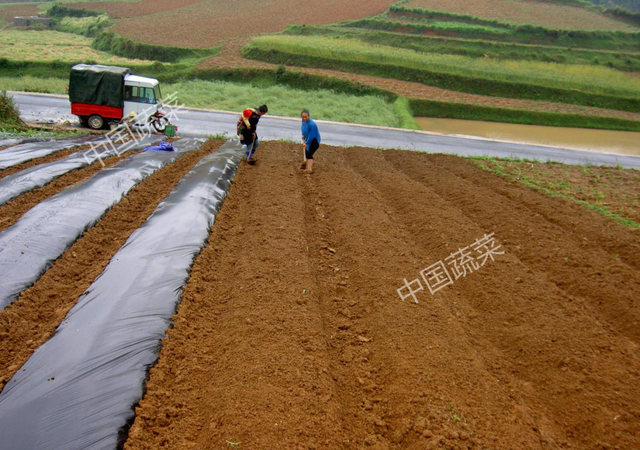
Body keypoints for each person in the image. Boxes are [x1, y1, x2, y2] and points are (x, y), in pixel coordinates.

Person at [300, 109, 321, 173]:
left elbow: (312, 135)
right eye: (303, 117)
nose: (304, 118)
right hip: (308, 139)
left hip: (314, 141)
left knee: (309, 154)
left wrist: (307, 143)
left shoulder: (312, 124)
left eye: (305, 117)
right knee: (307, 153)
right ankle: (306, 165)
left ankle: (309, 169)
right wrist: (303, 135)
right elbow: (303, 128)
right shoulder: (303, 121)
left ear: (308, 116)